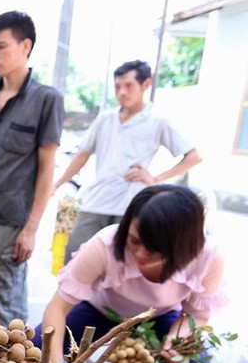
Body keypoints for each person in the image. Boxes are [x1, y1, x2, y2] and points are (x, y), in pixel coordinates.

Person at [36, 184, 226, 363]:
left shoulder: (209, 258)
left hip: (158, 317)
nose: (139, 253)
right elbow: (58, 308)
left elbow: (195, 316)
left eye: (153, 249)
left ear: (181, 247)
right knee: (37, 345)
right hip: (99, 310)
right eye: (134, 241)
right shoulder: (105, 244)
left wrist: (177, 340)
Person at [54, 60, 202, 264]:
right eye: (117, 86)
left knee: (121, 266)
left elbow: (194, 156)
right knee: (74, 258)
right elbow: (82, 155)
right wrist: (57, 183)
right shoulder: (105, 119)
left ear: (146, 85)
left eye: (129, 85)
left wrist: (156, 179)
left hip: (130, 206)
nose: (122, 92)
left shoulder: (157, 121)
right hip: (97, 200)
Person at [0, 11, 64, 323]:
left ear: (26, 46)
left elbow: (47, 169)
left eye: (2, 47)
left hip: (14, 218)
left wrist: (32, 227)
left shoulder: (46, 100)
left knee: (7, 301)